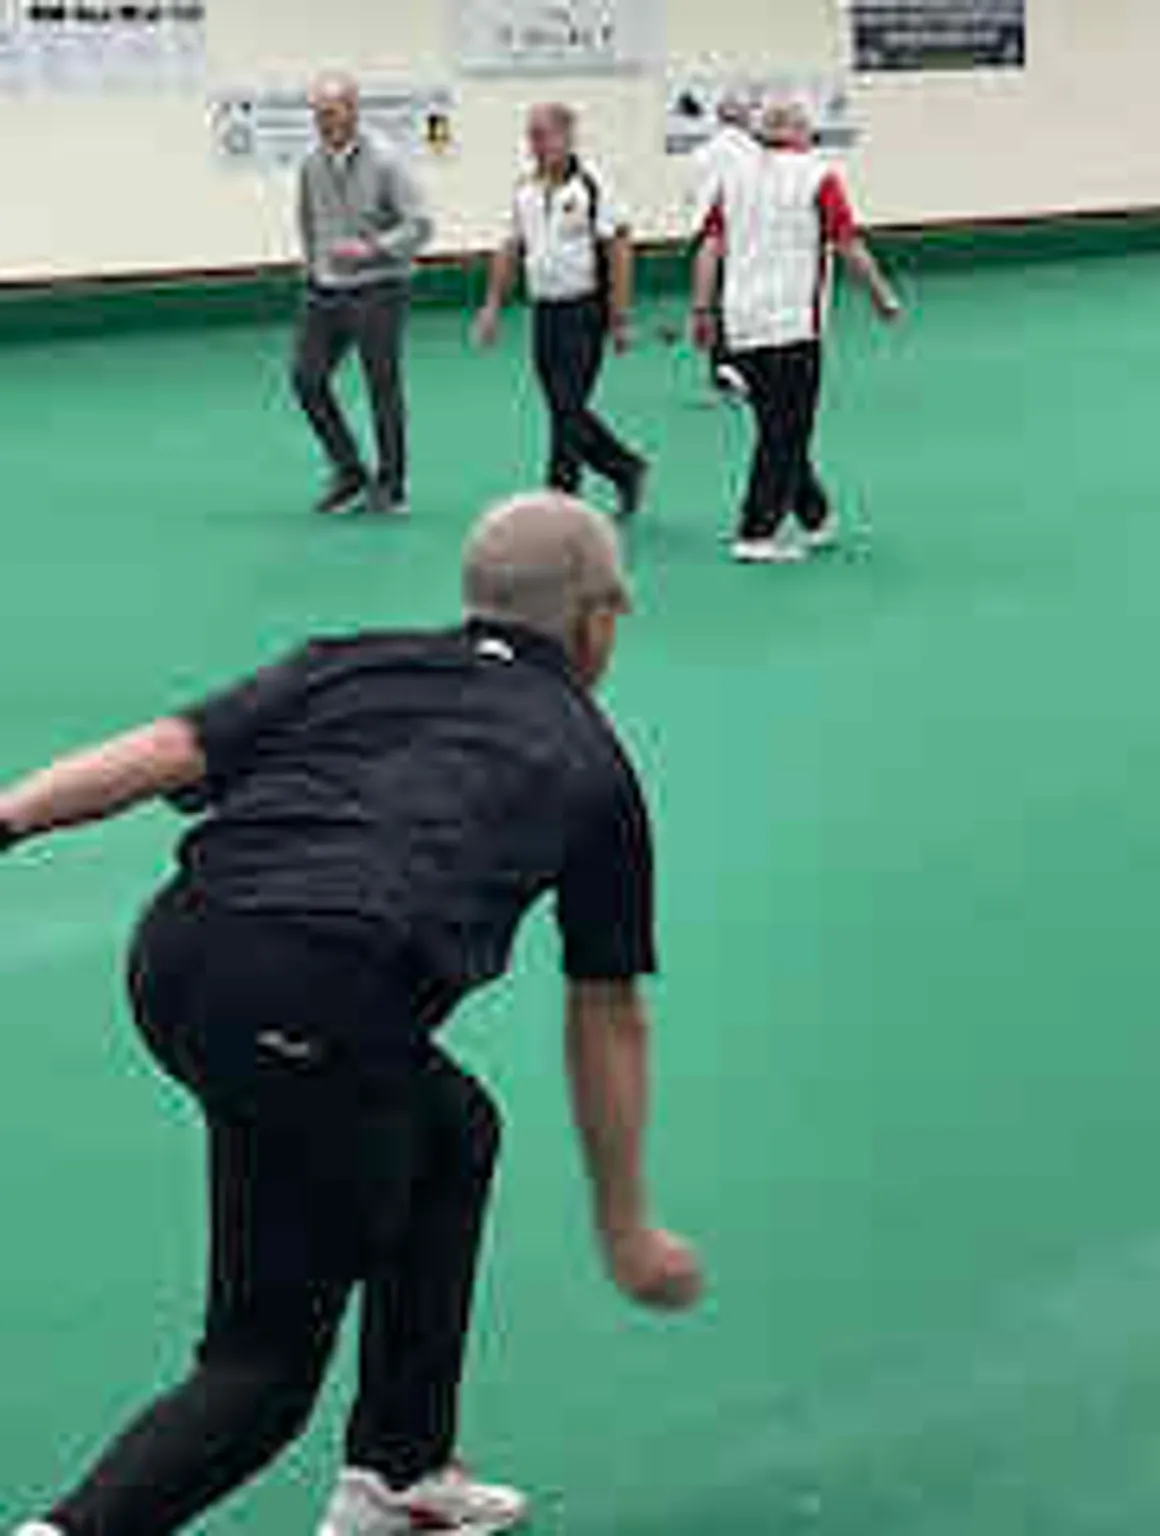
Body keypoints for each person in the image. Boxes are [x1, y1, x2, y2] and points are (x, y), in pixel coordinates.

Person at [2, 493, 701, 1536]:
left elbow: (167, 747)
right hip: (315, 1003)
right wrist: (625, 1227)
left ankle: (401, 1471)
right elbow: (607, 1015)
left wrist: (5, 818)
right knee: (260, 1370)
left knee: (452, 1129)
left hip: (177, 954)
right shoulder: (594, 766)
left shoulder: (357, 658)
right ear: (597, 621)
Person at [690, 97, 903, 565]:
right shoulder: (818, 176)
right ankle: (755, 532)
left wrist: (703, 311)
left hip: (742, 325)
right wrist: (881, 295)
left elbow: (709, 246)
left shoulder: (732, 180)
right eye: (808, 128)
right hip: (793, 327)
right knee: (785, 433)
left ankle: (815, 516)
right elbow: (848, 245)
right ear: (795, 134)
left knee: (777, 427)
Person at [474, 104, 648, 519]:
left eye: (543, 135)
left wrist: (620, 317)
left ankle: (560, 501)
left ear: (568, 137)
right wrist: (492, 305)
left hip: (585, 311)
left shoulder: (594, 184)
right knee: (562, 407)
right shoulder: (524, 189)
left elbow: (619, 248)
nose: (535, 145)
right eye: (531, 135)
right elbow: (511, 248)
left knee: (567, 408)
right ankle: (624, 467)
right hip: (544, 314)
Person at [294, 72, 434, 517]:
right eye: (318, 115)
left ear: (354, 111)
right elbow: (308, 220)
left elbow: (420, 226)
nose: (323, 123)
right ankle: (350, 471)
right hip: (325, 290)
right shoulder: (311, 164)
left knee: (382, 388)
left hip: (379, 288)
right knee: (306, 378)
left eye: (331, 113)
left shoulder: (388, 161)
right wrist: (313, 269)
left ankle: (391, 486)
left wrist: (372, 249)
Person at [686, 87, 763, 399]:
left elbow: (693, 197)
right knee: (743, 300)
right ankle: (743, 367)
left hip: (704, 235)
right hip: (739, 234)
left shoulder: (701, 153)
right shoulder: (754, 152)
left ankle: (721, 368)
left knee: (714, 304)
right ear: (741, 117)